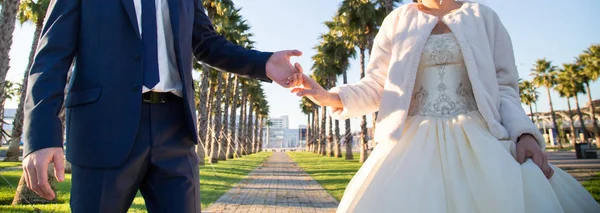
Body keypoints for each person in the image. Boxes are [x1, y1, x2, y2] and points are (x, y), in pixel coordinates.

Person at [289, 1, 600, 212]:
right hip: (408, 145)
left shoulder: (483, 17)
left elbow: (505, 87)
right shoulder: (396, 21)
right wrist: (329, 95)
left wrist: (524, 133)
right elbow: (378, 86)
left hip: (482, 140)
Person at [22, 0, 302, 212]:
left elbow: (207, 43)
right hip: (102, 129)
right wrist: (41, 137)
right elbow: (50, 57)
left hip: (175, 130)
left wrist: (263, 63)